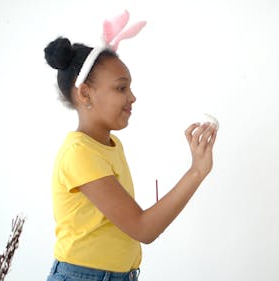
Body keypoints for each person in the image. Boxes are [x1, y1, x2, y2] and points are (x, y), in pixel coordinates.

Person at [43, 24, 217, 281]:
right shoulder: (79, 153)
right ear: (85, 93)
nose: (132, 97)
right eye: (121, 88)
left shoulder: (110, 145)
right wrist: (196, 172)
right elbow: (143, 228)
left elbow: (133, 223)